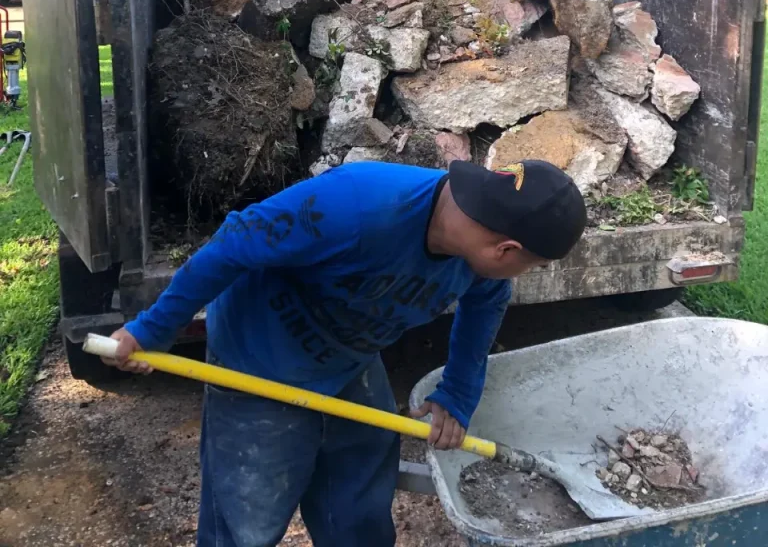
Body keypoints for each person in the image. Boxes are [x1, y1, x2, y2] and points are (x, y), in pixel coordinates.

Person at [106, 158, 586, 547]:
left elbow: (485, 306)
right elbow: (234, 243)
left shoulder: (480, 264)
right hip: (261, 357)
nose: (523, 274)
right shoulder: (357, 204)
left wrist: (458, 392)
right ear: (505, 248)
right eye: (532, 265)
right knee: (249, 514)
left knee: (359, 497)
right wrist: (154, 327)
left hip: (348, 357)